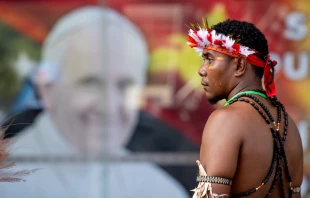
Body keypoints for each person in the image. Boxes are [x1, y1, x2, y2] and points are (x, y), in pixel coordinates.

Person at [0, 6, 189, 198]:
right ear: (47, 90)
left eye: (124, 85)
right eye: (91, 83)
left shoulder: (160, 190)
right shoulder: (6, 183)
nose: (108, 107)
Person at [187, 19, 303, 197]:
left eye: (209, 59)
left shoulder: (226, 120)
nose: (202, 70)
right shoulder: (288, 125)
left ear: (239, 65)